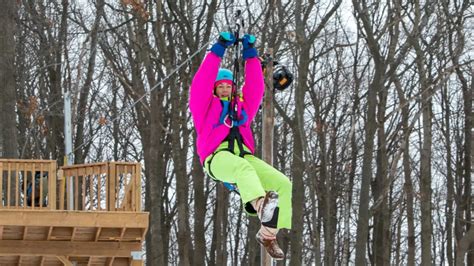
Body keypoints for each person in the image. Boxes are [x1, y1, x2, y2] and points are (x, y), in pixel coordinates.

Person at [189, 32, 292, 260]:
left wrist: (251, 54)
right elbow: (201, 82)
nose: (225, 89)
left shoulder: (242, 108)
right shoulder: (205, 108)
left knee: (282, 183)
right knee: (242, 169)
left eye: (229, 86)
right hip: (217, 158)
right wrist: (218, 49)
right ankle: (258, 204)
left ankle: (268, 234)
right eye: (221, 86)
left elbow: (255, 86)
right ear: (215, 90)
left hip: (243, 156)